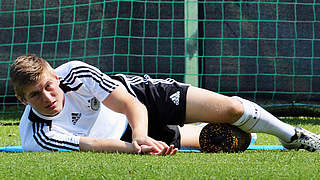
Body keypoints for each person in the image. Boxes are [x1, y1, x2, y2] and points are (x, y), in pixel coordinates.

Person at [9, 55, 320, 155]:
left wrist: (140, 135)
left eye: (49, 86)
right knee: (232, 141)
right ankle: (196, 133)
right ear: (23, 100)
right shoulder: (35, 136)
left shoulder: (76, 72)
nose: (48, 98)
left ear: (56, 78)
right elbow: (90, 144)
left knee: (232, 110)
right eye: (35, 95)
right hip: (121, 138)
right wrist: (136, 147)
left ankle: (291, 135)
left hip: (141, 99)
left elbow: (131, 104)